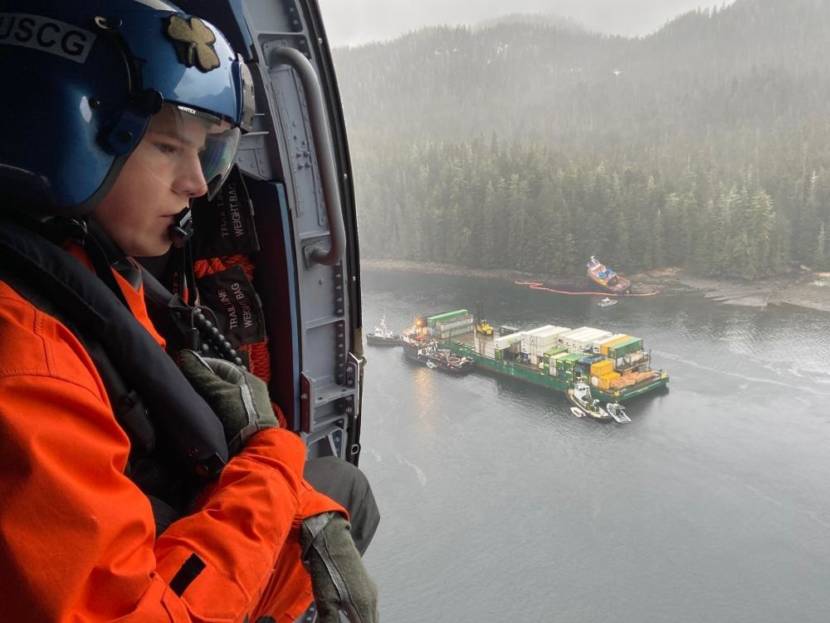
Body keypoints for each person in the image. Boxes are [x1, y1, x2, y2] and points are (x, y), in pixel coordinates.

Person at [0, 1, 378, 621]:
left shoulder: (79, 263)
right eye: (168, 148)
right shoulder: (29, 360)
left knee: (338, 491)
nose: (197, 185)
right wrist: (274, 457)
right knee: (343, 492)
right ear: (61, 130)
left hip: (150, 522)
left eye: (202, 153)